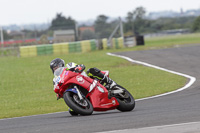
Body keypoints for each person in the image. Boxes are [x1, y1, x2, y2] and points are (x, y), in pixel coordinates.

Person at [50, 58, 117, 97]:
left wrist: (78, 68)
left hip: (84, 79)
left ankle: (109, 82)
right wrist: (58, 94)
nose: (56, 69)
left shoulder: (69, 66)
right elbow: (56, 88)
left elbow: (80, 66)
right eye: (54, 68)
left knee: (92, 71)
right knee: (72, 111)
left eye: (56, 67)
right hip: (72, 87)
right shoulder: (55, 79)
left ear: (61, 65)